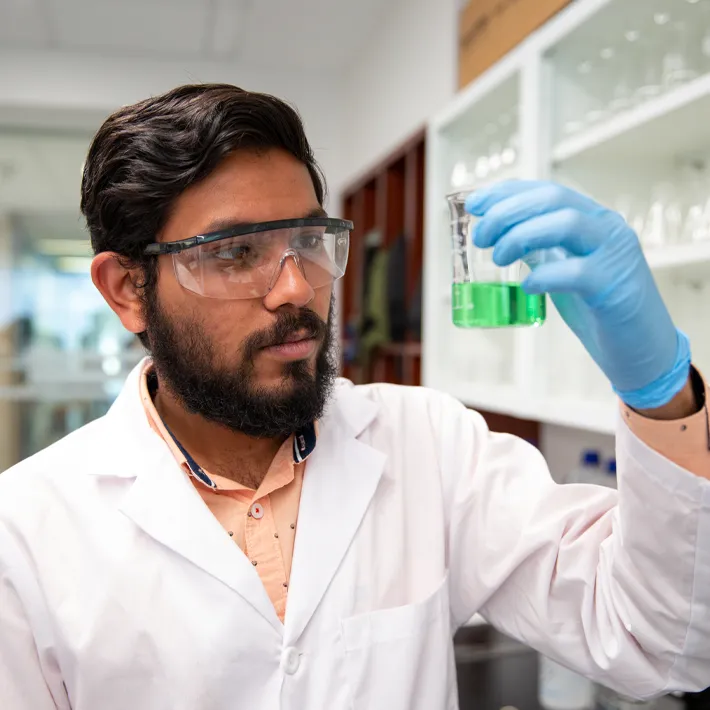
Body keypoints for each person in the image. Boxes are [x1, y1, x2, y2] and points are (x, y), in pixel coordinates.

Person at [0, 84, 708, 710]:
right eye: (234, 252)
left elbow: (661, 642)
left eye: (309, 239)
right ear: (128, 290)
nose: (297, 287)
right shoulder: (25, 532)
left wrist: (660, 389)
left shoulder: (428, 443)